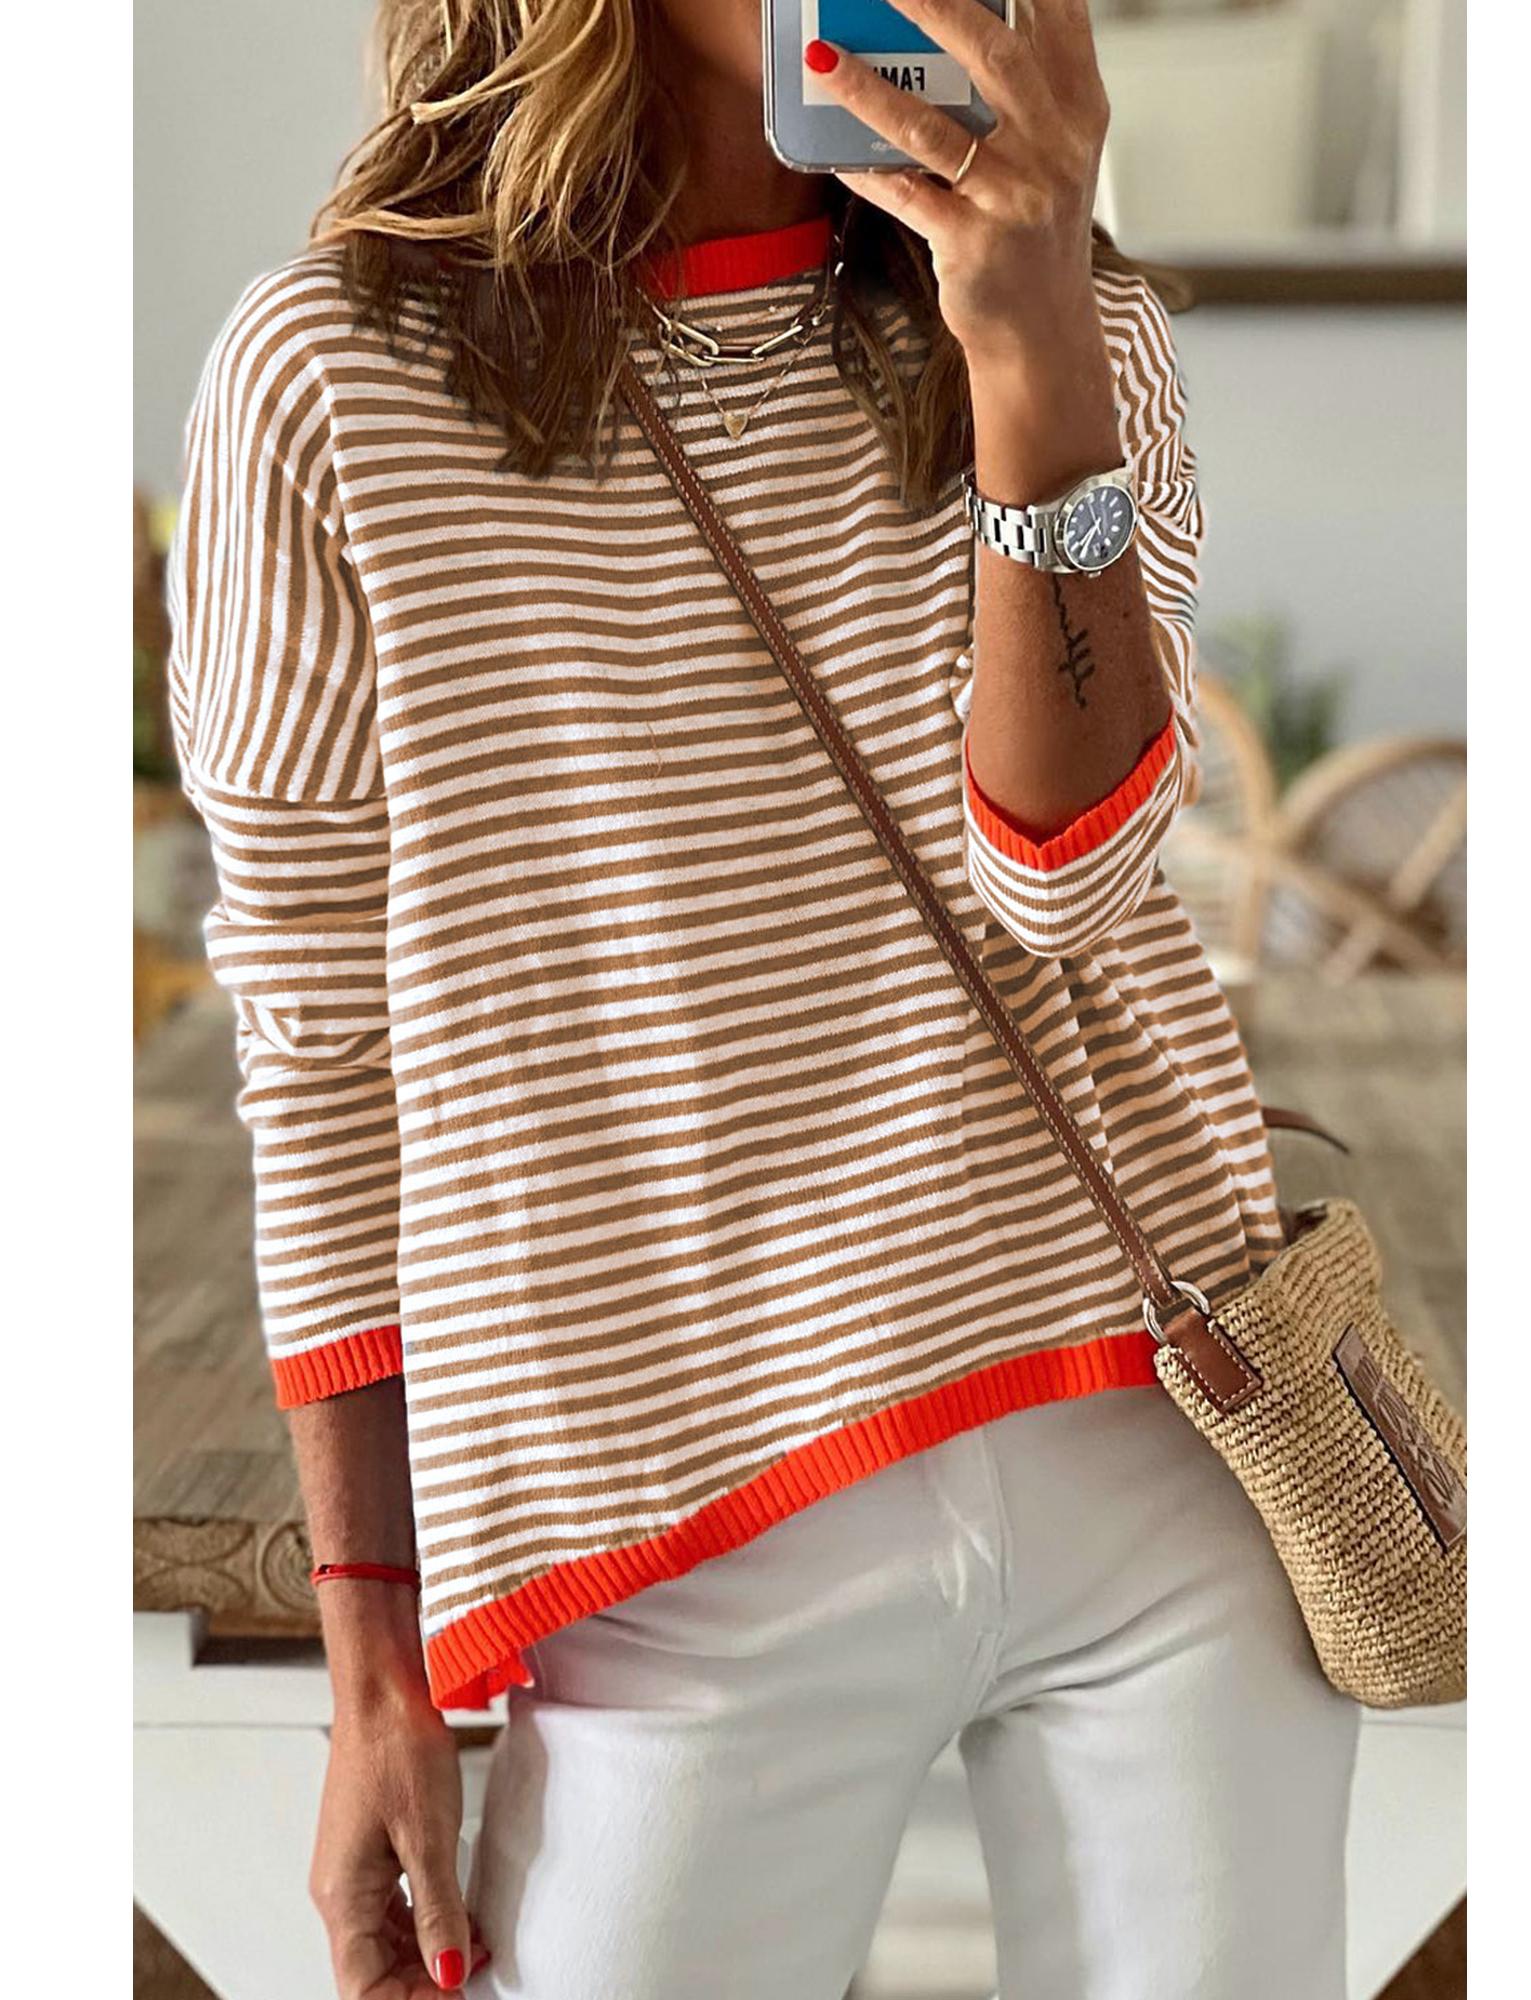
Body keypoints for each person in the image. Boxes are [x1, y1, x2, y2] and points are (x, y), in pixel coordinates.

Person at [166, 2, 1359, 1995]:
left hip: (1158, 1446)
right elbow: (319, 1052)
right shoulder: (334, 378)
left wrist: (1027, 337)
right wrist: (374, 1666)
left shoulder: (1069, 321)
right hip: (672, 1518)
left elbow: (1063, 884)